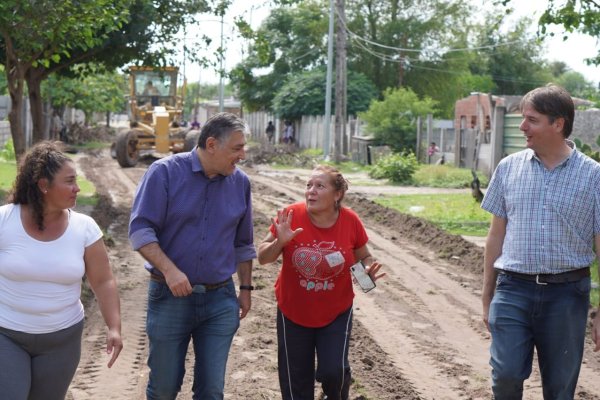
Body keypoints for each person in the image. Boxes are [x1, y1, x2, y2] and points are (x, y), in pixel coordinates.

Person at [481, 84, 600, 399]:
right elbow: (495, 235)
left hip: (567, 295)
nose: (522, 127)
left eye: (531, 120)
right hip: (512, 290)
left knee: (560, 389)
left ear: (557, 124)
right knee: (505, 376)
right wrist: (487, 294)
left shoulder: (593, 176)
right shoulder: (508, 168)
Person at [129, 112, 256, 400]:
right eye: (237, 148)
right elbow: (140, 230)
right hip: (169, 297)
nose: (243, 155)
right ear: (212, 144)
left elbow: (244, 242)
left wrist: (246, 288)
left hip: (220, 300)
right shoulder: (164, 173)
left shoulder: (240, 183)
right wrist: (170, 270)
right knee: (163, 388)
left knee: (211, 391)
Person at [0, 141, 123, 400]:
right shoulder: (4, 220)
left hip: (62, 340)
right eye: (69, 181)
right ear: (44, 185)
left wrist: (114, 327)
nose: (77, 188)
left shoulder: (85, 228)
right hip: (6, 334)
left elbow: (103, 281)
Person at [257, 165, 385, 400]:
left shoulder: (350, 220)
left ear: (337, 195)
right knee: (296, 384)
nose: (310, 191)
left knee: (333, 372)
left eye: (319, 186)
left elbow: (363, 255)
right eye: (308, 186)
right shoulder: (290, 215)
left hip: (336, 311)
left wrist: (367, 269)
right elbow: (263, 257)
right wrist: (280, 243)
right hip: (293, 311)